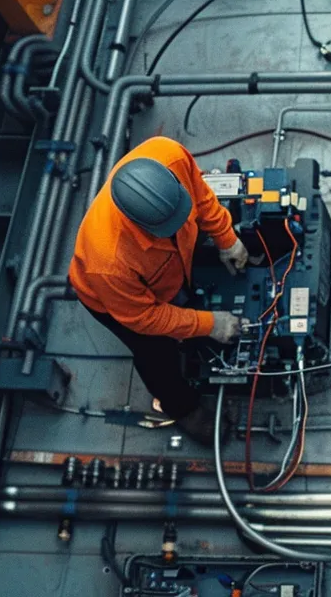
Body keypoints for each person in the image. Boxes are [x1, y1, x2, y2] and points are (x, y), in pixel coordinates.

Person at [68, 136, 250, 436]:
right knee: (155, 353)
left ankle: (191, 327)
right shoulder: (109, 262)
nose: (181, 225)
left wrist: (226, 238)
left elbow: (202, 196)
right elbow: (146, 318)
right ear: (139, 226)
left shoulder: (168, 154)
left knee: (185, 303)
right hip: (118, 302)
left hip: (169, 270)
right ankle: (182, 408)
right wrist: (210, 324)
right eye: (171, 227)